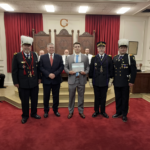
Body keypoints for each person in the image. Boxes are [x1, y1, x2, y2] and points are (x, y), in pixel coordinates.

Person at [12, 35, 41, 124]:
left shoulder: (35, 54)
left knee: (34, 99)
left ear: (30, 46)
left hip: (34, 82)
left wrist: (39, 78)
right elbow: (14, 70)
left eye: (28, 45)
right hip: (23, 83)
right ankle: (25, 115)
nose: (27, 47)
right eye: (25, 45)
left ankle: (34, 113)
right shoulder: (17, 56)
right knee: (24, 101)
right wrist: (16, 82)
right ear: (22, 46)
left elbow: (38, 68)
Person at [112, 39, 137, 122]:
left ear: (126, 49)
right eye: (121, 48)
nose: (123, 49)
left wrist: (132, 81)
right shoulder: (115, 57)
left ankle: (124, 114)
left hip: (125, 82)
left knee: (125, 99)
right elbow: (113, 70)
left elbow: (133, 70)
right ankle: (118, 112)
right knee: (118, 98)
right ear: (118, 49)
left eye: (124, 48)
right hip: (117, 82)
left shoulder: (130, 57)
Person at [64, 42, 89, 119]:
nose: (77, 48)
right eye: (76, 47)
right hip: (72, 79)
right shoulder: (69, 57)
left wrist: (86, 72)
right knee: (71, 97)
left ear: (80, 48)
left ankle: (81, 111)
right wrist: (69, 72)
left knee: (81, 97)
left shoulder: (85, 57)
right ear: (73, 48)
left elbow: (88, 67)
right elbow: (65, 67)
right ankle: (70, 111)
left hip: (81, 79)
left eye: (78, 46)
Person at [89, 42, 113, 118]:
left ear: (105, 48)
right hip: (96, 81)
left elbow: (111, 70)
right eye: (100, 48)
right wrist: (90, 80)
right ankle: (96, 111)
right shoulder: (94, 58)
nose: (101, 49)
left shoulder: (109, 58)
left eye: (103, 47)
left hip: (105, 81)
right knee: (96, 97)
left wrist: (110, 81)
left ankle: (103, 111)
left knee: (103, 97)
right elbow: (91, 70)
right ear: (97, 49)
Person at [40, 43, 64, 118]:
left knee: (56, 96)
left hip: (56, 79)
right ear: (47, 48)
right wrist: (48, 74)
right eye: (50, 47)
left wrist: (54, 74)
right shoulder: (42, 57)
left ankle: (55, 110)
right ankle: (46, 111)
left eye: (52, 47)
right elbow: (40, 67)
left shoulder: (59, 56)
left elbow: (61, 66)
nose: (51, 49)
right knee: (46, 96)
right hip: (46, 80)